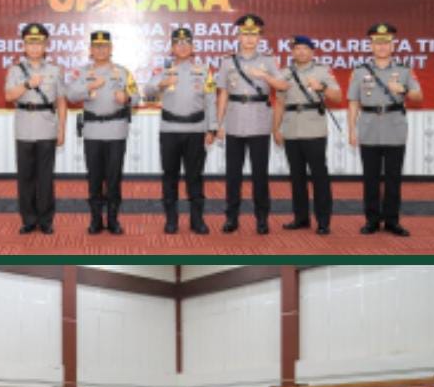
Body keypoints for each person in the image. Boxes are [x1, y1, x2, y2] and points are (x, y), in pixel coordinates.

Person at [215, 14, 289, 235]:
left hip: (259, 122)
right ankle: (231, 217)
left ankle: (262, 218)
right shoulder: (228, 62)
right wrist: (219, 123)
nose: (249, 39)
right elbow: (223, 94)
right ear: (238, 37)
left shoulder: (268, 61)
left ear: (259, 38)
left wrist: (265, 76)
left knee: (260, 175)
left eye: (253, 34)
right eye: (245, 34)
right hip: (235, 121)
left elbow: (283, 86)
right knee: (233, 175)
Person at [347, 23, 423, 236]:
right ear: (371, 45)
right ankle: (372, 220)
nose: (381, 47)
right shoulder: (360, 71)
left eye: (386, 43)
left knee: (393, 179)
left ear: (393, 45)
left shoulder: (404, 70)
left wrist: (403, 89)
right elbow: (353, 102)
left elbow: (419, 96)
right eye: (377, 43)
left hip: (394, 128)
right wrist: (351, 130)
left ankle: (392, 221)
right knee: (370, 179)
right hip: (369, 128)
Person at [144, 27, 216, 234]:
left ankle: (197, 220)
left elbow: (210, 100)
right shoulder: (162, 70)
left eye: (186, 43)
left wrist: (212, 128)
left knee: (195, 176)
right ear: (172, 48)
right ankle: (171, 220)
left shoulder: (204, 71)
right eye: (178, 43)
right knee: (170, 176)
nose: (182, 47)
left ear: (193, 47)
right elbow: (147, 91)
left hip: (196, 130)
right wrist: (162, 83)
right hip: (170, 131)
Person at [66, 30, 138, 234]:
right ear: (90, 49)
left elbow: (136, 97)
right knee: (94, 178)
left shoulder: (122, 72)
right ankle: (96, 220)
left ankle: (113, 220)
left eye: (104, 46)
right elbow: (70, 95)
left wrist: (127, 98)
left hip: (116, 131)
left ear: (111, 48)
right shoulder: (82, 73)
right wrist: (89, 87)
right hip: (93, 132)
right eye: (96, 46)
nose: (100, 50)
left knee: (114, 179)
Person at [273, 35, 341, 235]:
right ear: (292, 52)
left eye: (305, 48)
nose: (301, 52)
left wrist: (322, 87)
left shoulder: (322, 71)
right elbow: (279, 103)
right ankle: (301, 218)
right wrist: (275, 129)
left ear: (312, 51)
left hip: (314, 129)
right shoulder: (284, 73)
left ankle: (323, 221)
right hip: (291, 129)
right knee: (297, 177)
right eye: (297, 48)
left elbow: (337, 96)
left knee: (319, 177)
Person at [5, 23, 67, 234]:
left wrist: (61, 129)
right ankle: (29, 220)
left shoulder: (55, 70)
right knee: (26, 178)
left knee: (46, 178)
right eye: (30, 44)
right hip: (24, 128)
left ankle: (46, 220)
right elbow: (8, 96)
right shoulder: (15, 70)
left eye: (39, 43)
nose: (34, 47)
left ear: (45, 45)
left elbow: (61, 101)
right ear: (24, 46)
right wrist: (26, 84)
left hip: (47, 128)